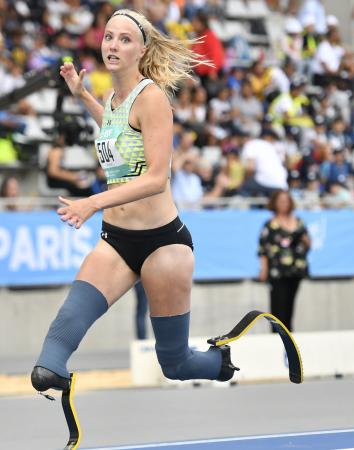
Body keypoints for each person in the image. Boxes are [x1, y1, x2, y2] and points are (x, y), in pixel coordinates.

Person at [31, 9, 253, 399]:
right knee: (51, 354)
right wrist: (82, 95)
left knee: (175, 364)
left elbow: (155, 179)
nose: (113, 45)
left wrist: (91, 203)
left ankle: (219, 361)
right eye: (109, 37)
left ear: (141, 49)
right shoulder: (114, 98)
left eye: (124, 39)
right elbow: (117, 133)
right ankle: (56, 375)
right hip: (117, 241)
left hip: (162, 245)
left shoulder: (153, 98)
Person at [258, 190, 311, 331]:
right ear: (274, 203)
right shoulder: (269, 225)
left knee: (289, 306)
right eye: (280, 201)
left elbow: (308, 244)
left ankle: (289, 340)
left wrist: (305, 240)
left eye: (286, 201)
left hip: (295, 270)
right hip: (277, 271)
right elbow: (263, 249)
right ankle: (276, 337)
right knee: (278, 308)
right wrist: (263, 269)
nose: (284, 204)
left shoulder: (299, 222)